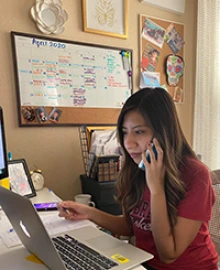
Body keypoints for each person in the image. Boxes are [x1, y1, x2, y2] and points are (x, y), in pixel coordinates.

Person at [58, 87, 218, 269]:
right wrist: (89, 212)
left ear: (163, 133)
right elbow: (130, 226)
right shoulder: (135, 168)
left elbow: (169, 254)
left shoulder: (196, 175)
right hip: (144, 264)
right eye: (125, 132)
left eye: (139, 132)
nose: (128, 143)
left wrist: (156, 188)